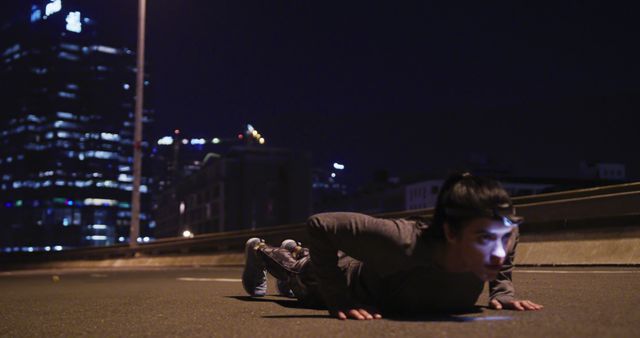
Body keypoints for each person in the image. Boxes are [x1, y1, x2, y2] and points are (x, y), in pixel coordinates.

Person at [242, 173, 543, 320]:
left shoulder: (500, 236)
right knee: (300, 274)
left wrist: (502, 290)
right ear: (451, 232)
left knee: (307, 260)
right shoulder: (403, 240)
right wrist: (340, 300)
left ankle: (297, 251)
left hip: (376, 268)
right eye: (483, 239)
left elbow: (508, 236)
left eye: (505, 236)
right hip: (345, 280)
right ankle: (260, 251)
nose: (500, 251)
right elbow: (320, 224)